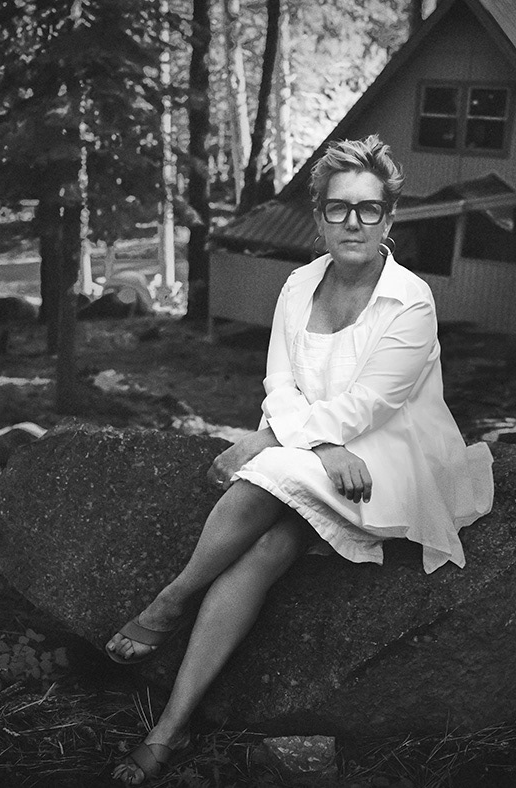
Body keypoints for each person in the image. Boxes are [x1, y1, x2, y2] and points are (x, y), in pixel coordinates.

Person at [105, 134, 494, 785]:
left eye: (369, 209)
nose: (353, 222)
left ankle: (169, 601)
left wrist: (277, 440)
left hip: (396, 459)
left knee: (268, 472)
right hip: (325, 451)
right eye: (338, 208)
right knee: (268, 547)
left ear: (389, 219)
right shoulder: (298, 284)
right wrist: (316, 443)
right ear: (318, 216)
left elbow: (371, 405)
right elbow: (280, 383)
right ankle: (169, 728)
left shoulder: (411, 300)